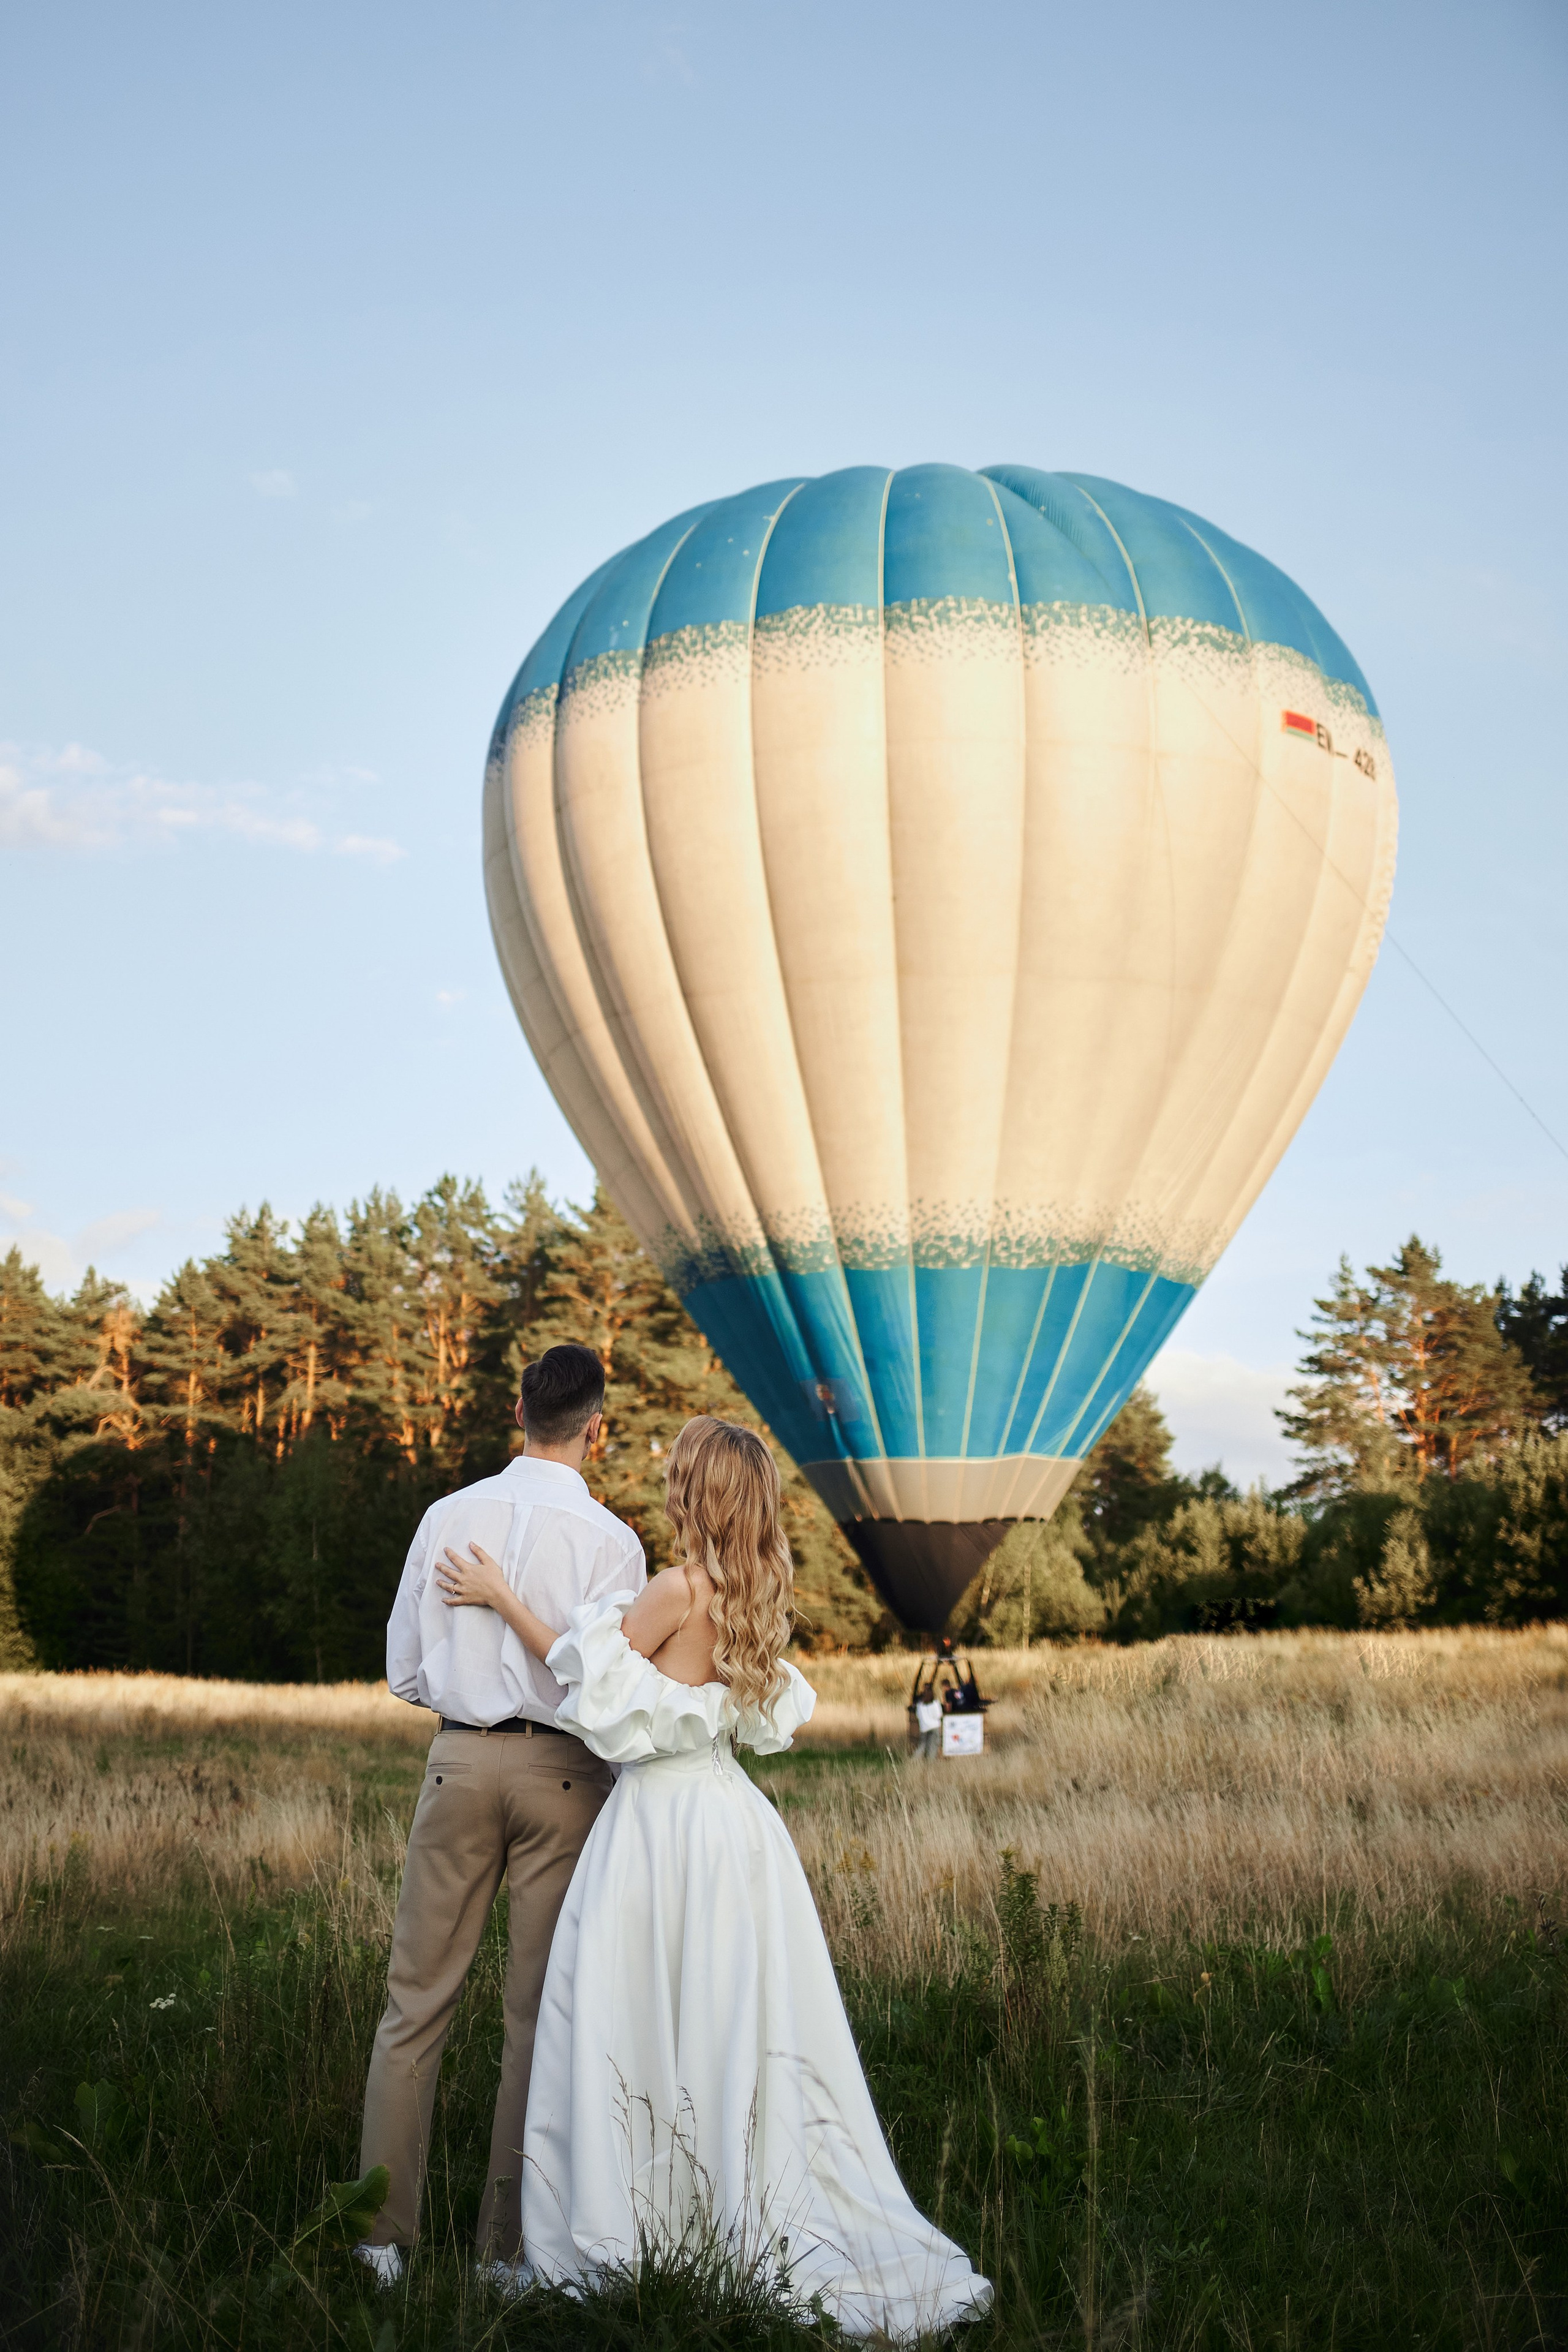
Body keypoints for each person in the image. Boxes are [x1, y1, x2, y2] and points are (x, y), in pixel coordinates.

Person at [435, 1414, 992, 2339]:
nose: (666, 1486)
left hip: (660, 1827)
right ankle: (725, 2193)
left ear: (698, 1493)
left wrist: (500, 1594)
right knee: (735, 2022)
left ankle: (643, 2220)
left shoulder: (675, 1590)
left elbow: (579, 1683)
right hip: (735, 1830)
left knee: (630, 2013)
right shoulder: (753, 1595)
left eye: (678, 1475)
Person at [353, 1342, 646, 2283]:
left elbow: (403, 1668)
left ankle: (380, 2242)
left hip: (457, 1765)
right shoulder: (613, 1543)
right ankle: (507, 2251)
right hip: (566, 1777)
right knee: (536, 2019)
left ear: (518, 1408)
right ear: (596, 1429)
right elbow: (613, 1685)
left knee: (414, 2008)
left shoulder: (447, 1516)